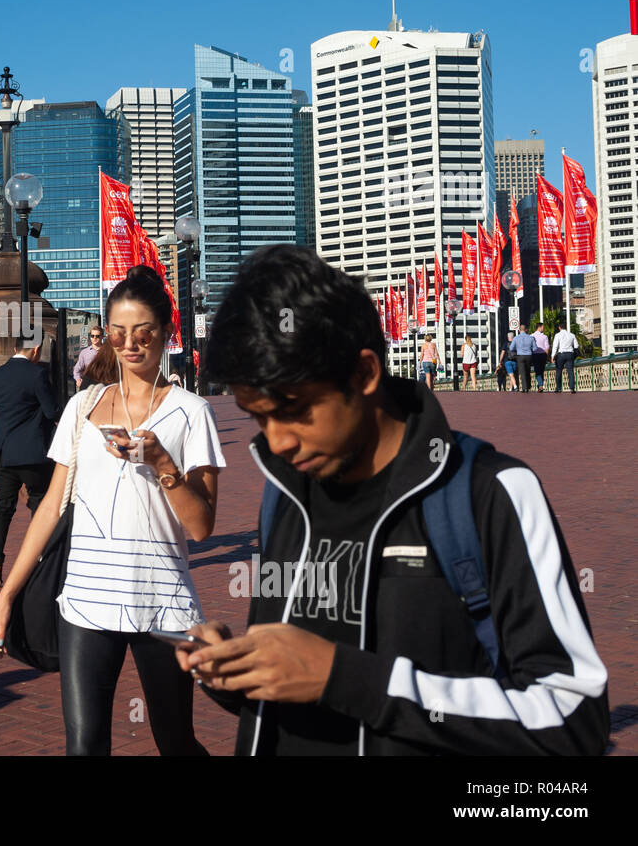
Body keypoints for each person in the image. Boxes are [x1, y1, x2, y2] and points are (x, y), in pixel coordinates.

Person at [174, 244, 608, 755]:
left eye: (293, 409)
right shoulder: (284, 495)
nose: (278, 442)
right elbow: (296, 681)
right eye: (258, 417)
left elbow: (573, 718)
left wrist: (350, 680)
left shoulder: (488, 493)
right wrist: (239, 674)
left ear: (364, 374)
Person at [0, 266, 225, 756]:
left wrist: (160, 461)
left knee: (175, 741)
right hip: (85, 604)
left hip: (163, 603)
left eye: (143, 333)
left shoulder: (191, 412)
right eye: (118, 333)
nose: (130, 344)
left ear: (165, 333)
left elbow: (201, 526)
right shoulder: (82, 407)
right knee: (85, 745)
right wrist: (6, 594)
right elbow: (51, 506)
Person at [0, 338, 61, 590]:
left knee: (3, 507)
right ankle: (41, 557)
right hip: (32, 453)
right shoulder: (38, 374)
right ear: (36, 350)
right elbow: (51, 412)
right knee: (40, 504)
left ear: (15, 348)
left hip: (4, 452)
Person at [551, 323, 580, 393]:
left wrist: (552, 356)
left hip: (561, 354)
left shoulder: (557, 335)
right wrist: (574, 355)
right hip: (570, 354)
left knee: (558, 371)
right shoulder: (572, 335)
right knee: (570, 371)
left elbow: (555, 346)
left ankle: (558, 388)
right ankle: (572, 388)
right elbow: (576, 346)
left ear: (559, 328)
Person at [509, 326, 535, 394]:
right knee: (528, 371)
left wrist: (517, 349)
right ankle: (528, 385)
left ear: (519, 330)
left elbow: (511, 348)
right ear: (526, 330)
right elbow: (535, 348)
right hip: (529, 355)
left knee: (522, 372)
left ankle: (524, 388)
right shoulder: (531, 338)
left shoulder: (516, 338)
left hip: (520, 356)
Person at [531, 323, 550, 392]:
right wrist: (546, 357)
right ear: (540, 327)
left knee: (537, 370)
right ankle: (541, 385)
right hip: (542, 355)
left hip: (535, 355)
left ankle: (540, 385)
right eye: (543, 327)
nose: (544, 328)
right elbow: (547, 348)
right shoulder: (544, 336)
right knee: (541, 370)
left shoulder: (531, 336)